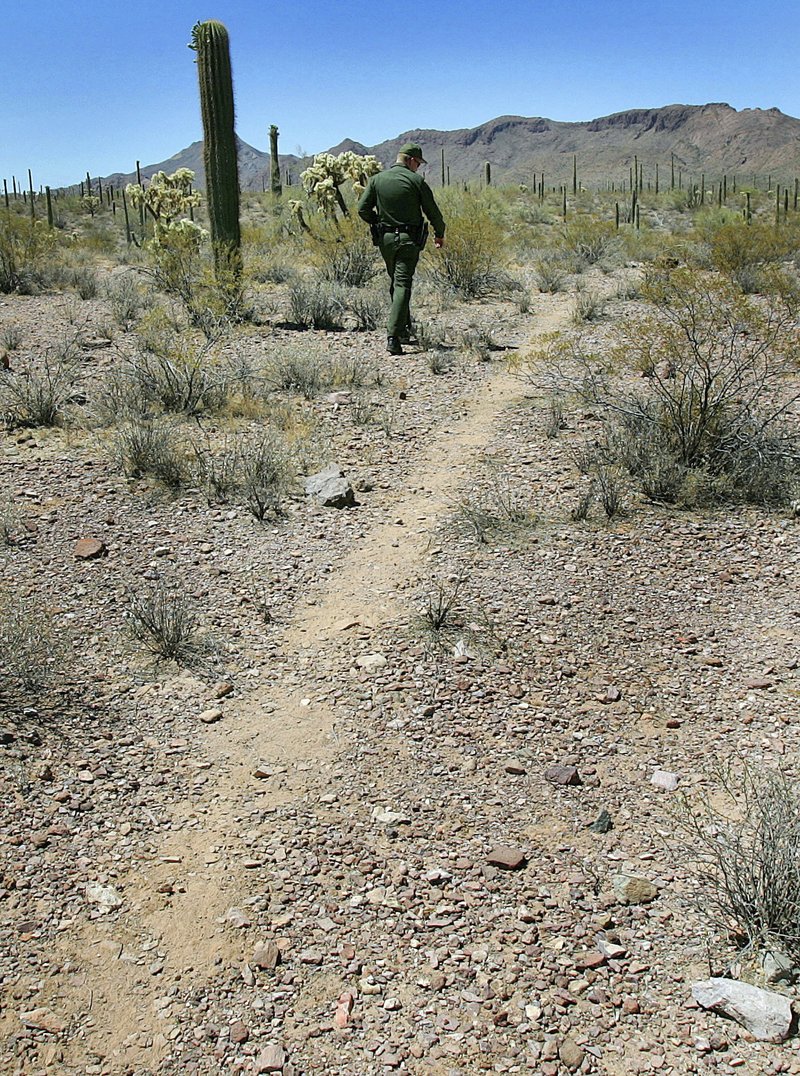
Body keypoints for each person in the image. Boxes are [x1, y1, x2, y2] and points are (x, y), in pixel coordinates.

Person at [357, 142, 445, 356]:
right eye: (418, 163)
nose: (419, 168)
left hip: (386, 239)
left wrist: (377, 221)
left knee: (396, 283)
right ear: (411, 160)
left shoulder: (377, 180)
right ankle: (393, 337)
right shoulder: (416, 181)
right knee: (403, 284)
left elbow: (362, 209)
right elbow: (433, 211)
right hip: (408, 240)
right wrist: (439, 233)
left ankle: (403, 329)